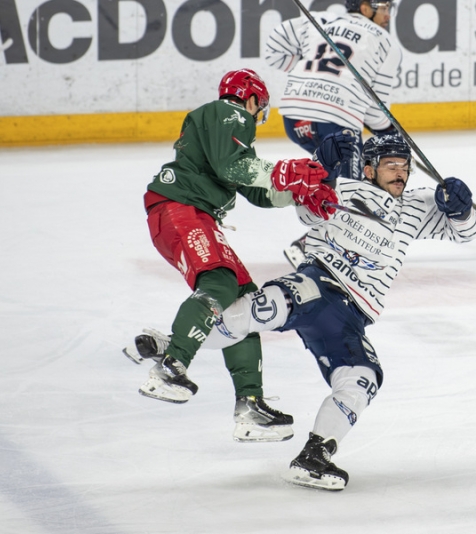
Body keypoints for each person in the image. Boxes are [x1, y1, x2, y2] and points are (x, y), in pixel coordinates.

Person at [135, 132, 476, 489]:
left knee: (364, 377)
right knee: (260, 311)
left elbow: (467, 233)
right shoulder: (343, 189)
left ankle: (314, 456)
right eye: (390, 165)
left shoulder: (417, 206)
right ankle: (174, 347)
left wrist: (461, 207)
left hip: (352, 316)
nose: (400, 174)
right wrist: (325, 172)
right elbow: (307, 216)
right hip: (319, 283)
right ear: (367, 168)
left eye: (405, 167)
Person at [123, 68, 333, 444]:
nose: (258, 115)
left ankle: (250, 404)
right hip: (182, 208)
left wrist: (298, 190)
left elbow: (252, 188)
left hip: (188, 214)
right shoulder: (230, 113)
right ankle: (171, 366)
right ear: (250, 99)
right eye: (260, 107)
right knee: (219, 282)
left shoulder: (225, 131)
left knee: (244, 302)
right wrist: (289, 172)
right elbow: (234, 168)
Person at [264, 0, 403, 267]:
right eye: (384, 8)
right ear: (365, 8)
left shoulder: (319, 19)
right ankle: (312, 247)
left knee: (340, 181)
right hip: (337, 121)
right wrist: (390, 136)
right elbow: (376, 112)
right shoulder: (386, 43)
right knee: (359, 189)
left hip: (296, 117)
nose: (388, 15)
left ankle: (333, 232)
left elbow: (274, 48)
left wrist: (304, 69)